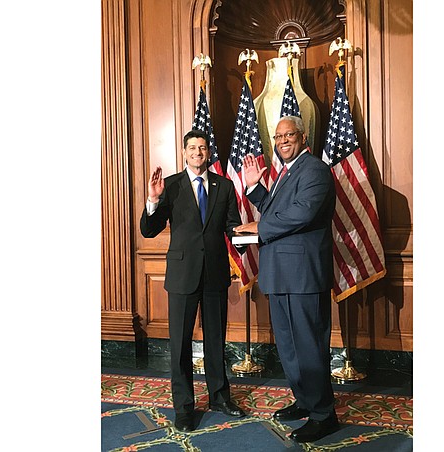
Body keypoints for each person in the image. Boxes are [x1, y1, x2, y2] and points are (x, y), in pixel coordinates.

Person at [234, 115, 338, 443]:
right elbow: (278, 210)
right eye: (278, 138)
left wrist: (258, 227)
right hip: (279, 274)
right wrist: (254, 189)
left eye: (288, 135)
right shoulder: (286, 172)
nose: (282, 142)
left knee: (308, 345)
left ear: (303, 136)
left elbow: (302, 213)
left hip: (304, 275)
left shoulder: (315, 171)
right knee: (290, 347)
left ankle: (324, 414)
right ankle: (306, 400)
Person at [140, 129, 246, 432]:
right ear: (184, 153)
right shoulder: (168, 186)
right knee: (180, 344)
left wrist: (250, 236)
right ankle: (184, 407)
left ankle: (219, 397)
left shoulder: (224, 186)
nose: (197, 152)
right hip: (183, 275)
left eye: (202, 147)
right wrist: (153, 199)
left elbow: (232, 227)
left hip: (214, 274)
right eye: (192, 148)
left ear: (208, 152)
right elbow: (149, 230)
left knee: (215, 341)